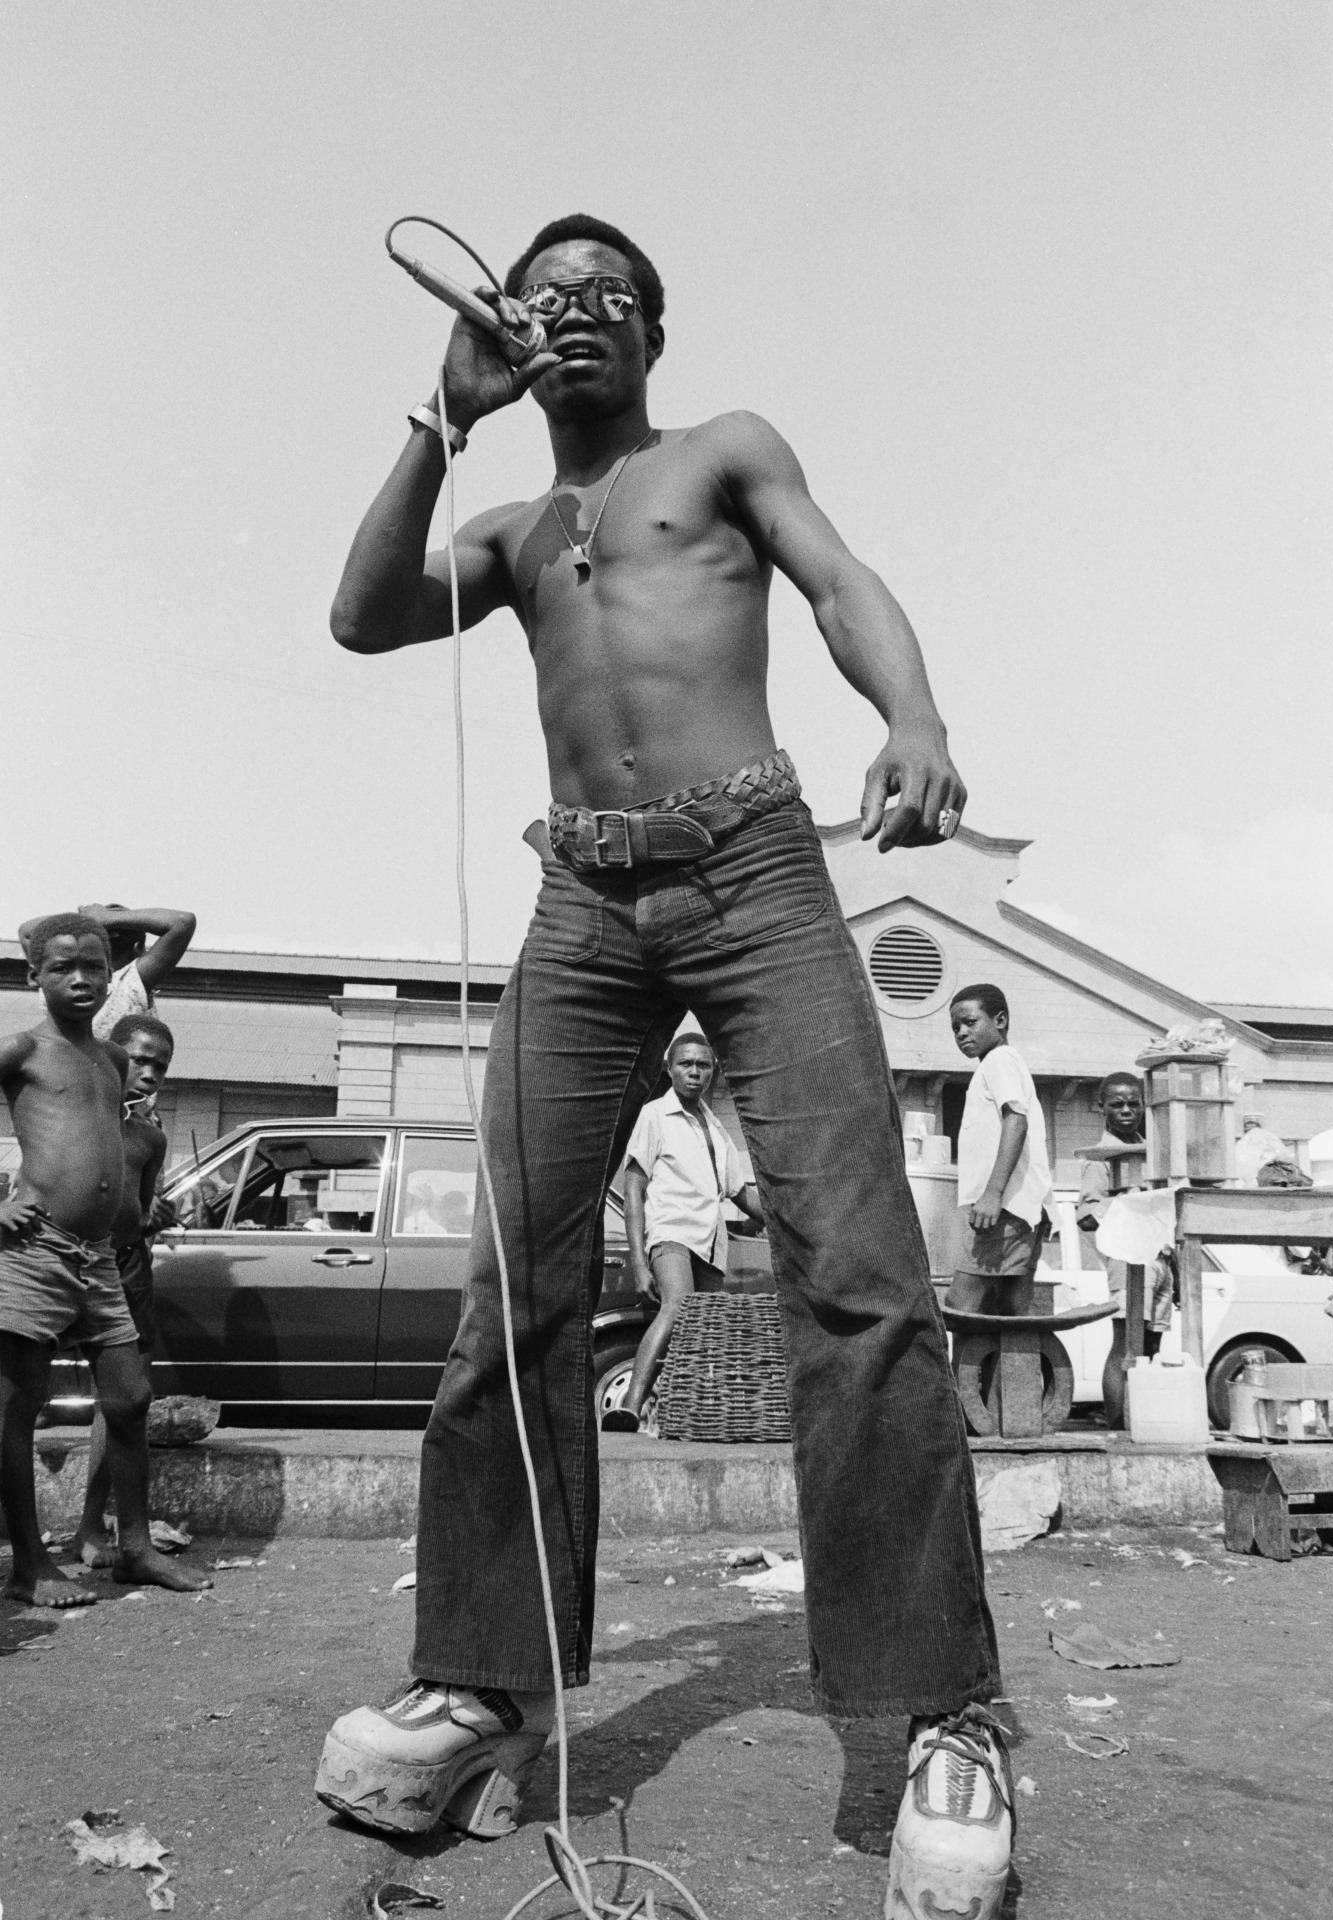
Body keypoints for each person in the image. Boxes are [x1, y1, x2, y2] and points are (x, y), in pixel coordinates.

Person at [316, 214, 1012, 1920]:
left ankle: (940, 1713)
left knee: (859, 1280)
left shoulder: (722, 456)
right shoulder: (503, 523)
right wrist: (438, 415)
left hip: (759, 873)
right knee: (515, 1293)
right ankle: (482, 1680)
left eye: (611, 299)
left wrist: (912, 720)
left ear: (653, 336)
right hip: (583, 902)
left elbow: (845, 585)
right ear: (508, 330)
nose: (578, 318)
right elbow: (360, 615)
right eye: (546, 301)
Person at [0, 916, 209, 1604]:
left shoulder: (112, 1061)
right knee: (19, 1403)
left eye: (94, 965)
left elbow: (100, 1150)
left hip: (100, 1257)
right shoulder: (22, 1051)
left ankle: (136, 1548)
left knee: (129, 1396)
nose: (82, 979)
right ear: (34, 975)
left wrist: (137, 1208)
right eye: (63, 968)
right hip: (34, 1251)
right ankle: (30, 1564)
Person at [604, 1031, 763, 1432]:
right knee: (677, 1306)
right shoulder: (654, 1115)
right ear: (669, 1068)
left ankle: (685, 1414)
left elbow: (740, 1194)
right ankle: (629, 1404)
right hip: (671, 1233)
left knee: (699, 1334)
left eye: (703, 1065)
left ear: (713, 1072)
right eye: (686, 1064)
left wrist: (788, 1216)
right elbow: (635, 1188)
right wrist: (639, 1262)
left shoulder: (718, 1129)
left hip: (711, 1243)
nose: (694, 1072)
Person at [72, 1013, 178, 1567]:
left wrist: (154, 1215)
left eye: (160, 1066)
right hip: (57, 1258)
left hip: (125, 1267)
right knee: (16, 1397)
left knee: (124, 1400)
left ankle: (92, 1529)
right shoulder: (70, 1113)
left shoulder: (150, 1139)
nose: (150, 1074)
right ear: (113, 1056)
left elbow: (136, 1212)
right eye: (140, 1059)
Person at [1074, 1072, 1174, 1426]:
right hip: (1129, 1260)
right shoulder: (1100, 1158)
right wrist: (1125, 1206)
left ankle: (1144, 1420)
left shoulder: (1154, 1151)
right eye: (1118, 1105)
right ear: (1102, 1108)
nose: (1127, 1111)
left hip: (1160, 1260)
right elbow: (1085, 1215)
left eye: (1134, 1104)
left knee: (1151, 1348)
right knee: (1127, 1345)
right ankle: (1118, 1425)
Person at [948, 984, 1052, 1317]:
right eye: (955, 1028)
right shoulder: (999, 1064)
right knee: (1007, 1312)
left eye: (970, 1022)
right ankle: (1023, 1370)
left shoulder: (999, 1060)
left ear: (1000, 1020)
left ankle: (962, 1371)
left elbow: (1016, 1122)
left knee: (961, 1305)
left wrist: (992, 1193)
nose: (962, 1032)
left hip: (1003, 1210)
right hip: (1015, 1208)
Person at [19, 902, 197, 1040]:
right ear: (139, 947)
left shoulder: (60, 982)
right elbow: (182, 922)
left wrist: (87, 919)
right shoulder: (128, 986)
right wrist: (109, 917)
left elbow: (27, 931)